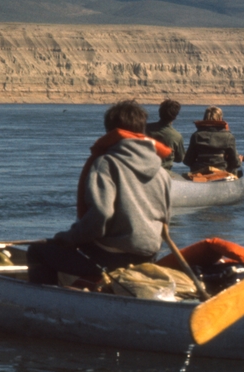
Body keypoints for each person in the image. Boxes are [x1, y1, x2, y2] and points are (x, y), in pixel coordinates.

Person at [27, 99, 173, 285]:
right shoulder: (162, 172)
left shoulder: (106, 163)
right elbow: (166, 220)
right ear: (142, 131)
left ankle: (45, 306)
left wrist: (68, 238)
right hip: (147, 255)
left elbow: (101, 215)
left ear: (111, 132)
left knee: (37, 252)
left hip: (110, 257)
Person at [183, 106, 241, 174]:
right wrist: (239, 159)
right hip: (221, 172)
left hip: (199, 172)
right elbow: (236, 163)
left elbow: (187, 161)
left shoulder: (196, 136)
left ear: (204, 118)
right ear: (220, 119)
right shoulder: (228, 137)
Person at [146, 99, 186, 171]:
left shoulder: (145, 128)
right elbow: (180, 158)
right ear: (175, 117)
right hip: (164, 172)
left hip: (144, 170)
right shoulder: (177, 136)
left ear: (160, 113)